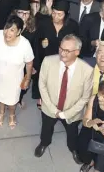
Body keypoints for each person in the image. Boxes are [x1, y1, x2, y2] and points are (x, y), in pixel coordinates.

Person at [34, 34, 93, 165]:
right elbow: (42, 86)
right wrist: (53, 109)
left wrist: (66, 114)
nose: (62, 53)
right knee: (46, 128)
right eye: (61, 48)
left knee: (72, 133)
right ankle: (44, 143)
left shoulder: (87, 70)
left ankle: (73, 149)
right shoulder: (48, 61)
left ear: (77, 52)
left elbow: (85, 97)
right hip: (50, 108)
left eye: (67, 50)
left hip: (72, 112)